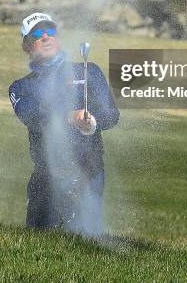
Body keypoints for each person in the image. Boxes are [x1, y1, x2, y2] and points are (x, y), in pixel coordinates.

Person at [8, 12, 119, 235]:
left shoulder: (88, 71)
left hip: (89, 171)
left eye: (51, 31)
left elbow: (111, 115)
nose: (46, 37)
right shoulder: (20, 87)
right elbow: (31, 117)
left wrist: (92, 122)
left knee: (85, 238)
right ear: (27, 45)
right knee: (37, 240)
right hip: (46, 175)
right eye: (38, 33)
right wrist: (69, 117)